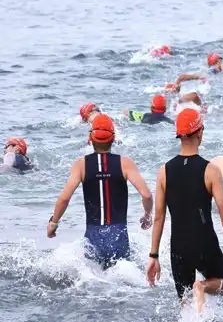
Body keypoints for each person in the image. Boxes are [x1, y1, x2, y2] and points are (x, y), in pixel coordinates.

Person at [145, 109, 223, 312]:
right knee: (222, 283)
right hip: (204, 242)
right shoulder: (211, 170)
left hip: (178, 247)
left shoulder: (164, 171)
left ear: (179, 135)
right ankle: (202, 287)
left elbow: (159, 217)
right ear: (200, 132)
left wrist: (153, 256)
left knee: (184, 306)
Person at [47, 115, 153, 269]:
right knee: (122, 282)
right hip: (119, 235)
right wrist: (147, 216)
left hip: (93, 235)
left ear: (90, 138)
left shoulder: (81, 165)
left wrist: (53, 223)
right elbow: (147, 195)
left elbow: (64, 198)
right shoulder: (125, 163)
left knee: (93, 282)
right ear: (113, 138)